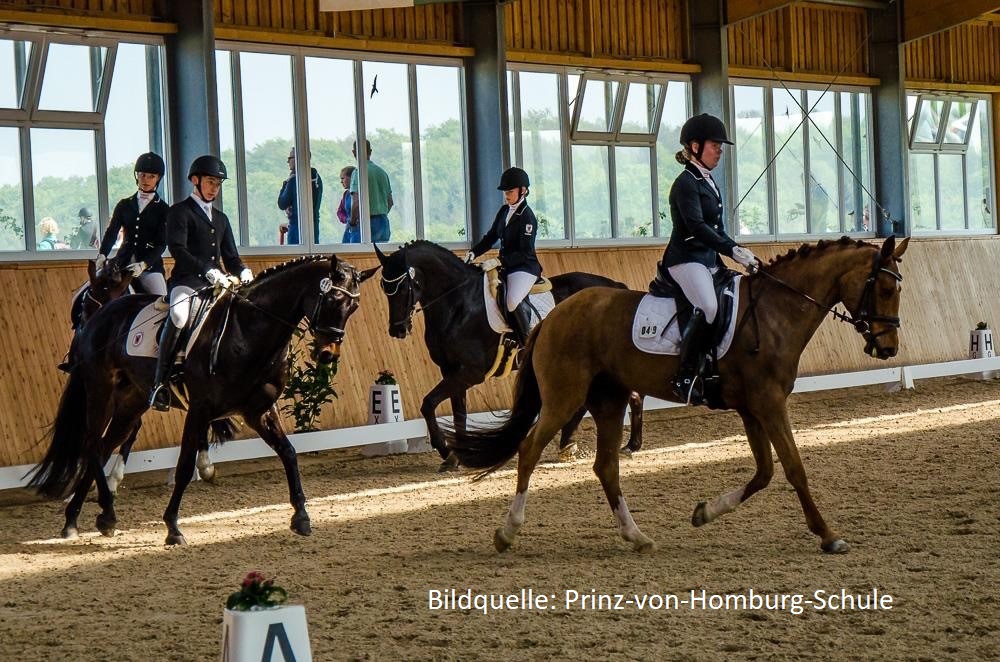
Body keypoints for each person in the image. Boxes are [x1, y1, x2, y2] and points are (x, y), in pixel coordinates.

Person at [661, 113, 759, 405]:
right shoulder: (685, 183)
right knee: (708, 305)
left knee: (736, 294)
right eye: (715, 144)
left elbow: (716, 227)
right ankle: (686, 375)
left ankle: (719, 367)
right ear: (694, 146)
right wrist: (733, 250)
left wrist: (733, 249)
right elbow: (697, 228)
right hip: (685, 259)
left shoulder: (708, 180)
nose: (720, 150)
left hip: (708, 258)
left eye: (720, 145)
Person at [148, 155, 253, 412]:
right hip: (187, 282)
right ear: (195, 181)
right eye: (210, 182)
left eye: (217, 183)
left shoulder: (221, 218)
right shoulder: (179, 212)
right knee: (179, 315)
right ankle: (160, 383)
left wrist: (244, 270)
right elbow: (178, 249)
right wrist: (208, 270)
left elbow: (231, 257)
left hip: (216, 285)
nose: (214, 187)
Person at [465, 166, 541, 345]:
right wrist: (473, 252)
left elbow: (525, 252)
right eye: (505, 191)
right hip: (505, 265)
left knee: (512, 301)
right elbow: (491, 237)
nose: (507, 195)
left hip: (524, 267)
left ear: (523, 191)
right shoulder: (504, 211)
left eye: (510, 191)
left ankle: (526, 342)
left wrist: (499, 260)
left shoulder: (527, 218)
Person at [96, 152, 169, 296]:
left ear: (158, 178)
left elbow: (161, 244)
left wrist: (144, 264)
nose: (145, 180)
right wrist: (103, 254)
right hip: (122, 263)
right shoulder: (124, 205)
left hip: (148, 268)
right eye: (142, 175)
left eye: (151, 176)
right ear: (137, 176)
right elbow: (112, 232)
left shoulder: (163, 209)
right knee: (95, 289)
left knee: (162, 298)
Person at [277, 147, 323, 245]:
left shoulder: (294, 180)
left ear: (298, 159)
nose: (287, 161)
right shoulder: (317, 179)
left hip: (296, 227)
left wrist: (285, 183)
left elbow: (282, 203)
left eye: (290, 158)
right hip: (313, 226)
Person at [350, 140, 393, 242]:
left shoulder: (358, 173)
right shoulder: (382, 172)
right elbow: (390, 202)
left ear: (354, 152)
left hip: (367, 223)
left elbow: (356, 203)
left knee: (356, 256)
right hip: (383, 223)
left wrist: (352, 222)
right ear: (370, 151)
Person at [337, 165, 358, 243]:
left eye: (343, 178)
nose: (341, 182)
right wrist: (347, 219)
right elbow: (340, 212)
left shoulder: (360, 193)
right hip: (349, 229)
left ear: (352, 178)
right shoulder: (346, 194)